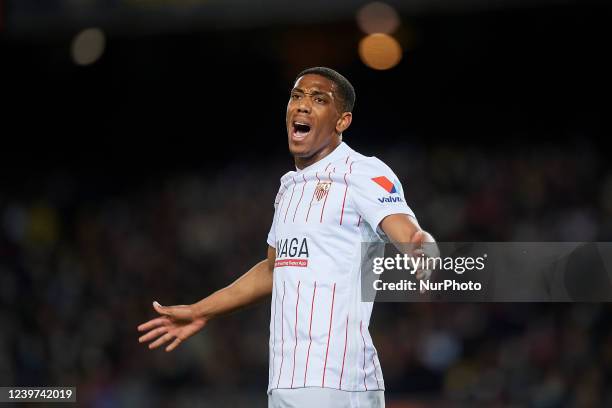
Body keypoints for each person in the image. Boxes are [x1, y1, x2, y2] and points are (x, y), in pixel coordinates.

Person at [137, 67, 435, 407]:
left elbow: (407, 230)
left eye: (319, 100)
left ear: (342, 121)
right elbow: (272, 269)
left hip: (337, 381)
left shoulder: (362, 171)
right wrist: (201, 311)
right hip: (283, 382)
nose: (303, 106)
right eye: (297, 96)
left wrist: (422, 252)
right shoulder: (288, 187)